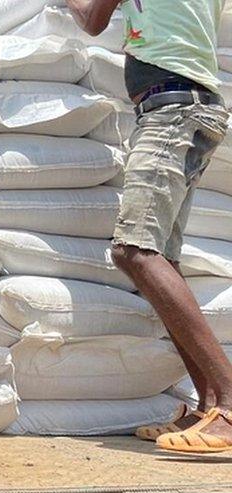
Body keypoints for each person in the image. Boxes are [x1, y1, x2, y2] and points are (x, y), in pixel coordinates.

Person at [66, 0, 232, 453]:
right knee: (164, 262)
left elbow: (93, 19)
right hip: (194, 106)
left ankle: (230, 404)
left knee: (134, 250)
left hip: (171, 109)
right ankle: (209, 406)